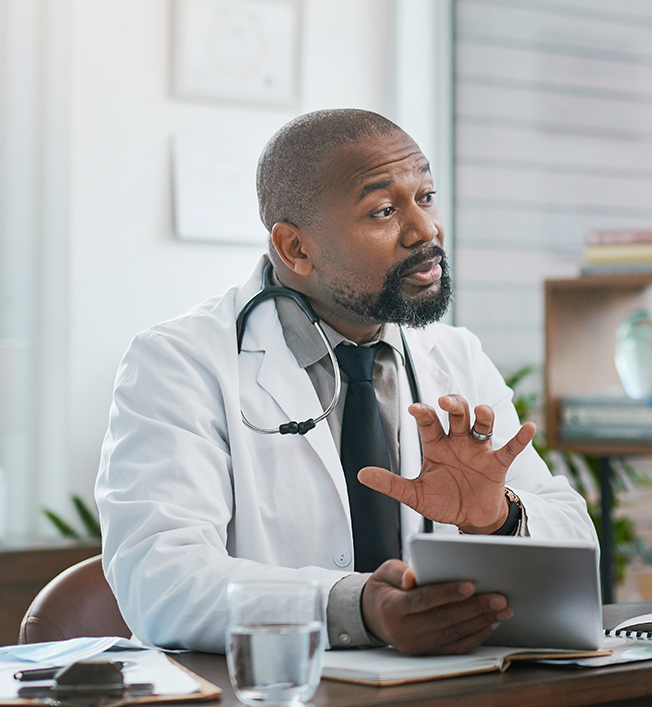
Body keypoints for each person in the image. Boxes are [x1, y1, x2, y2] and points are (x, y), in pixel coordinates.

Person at [96, 110, 595, 656]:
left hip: (446, 691)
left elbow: (575, 539)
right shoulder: (179, 363)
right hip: (271, 704)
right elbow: (161, 578)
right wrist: (359, 608)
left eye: (425, 197)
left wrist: (499, 516)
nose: (425, 230)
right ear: (295, 249)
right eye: (384, 210)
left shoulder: (456, 357)